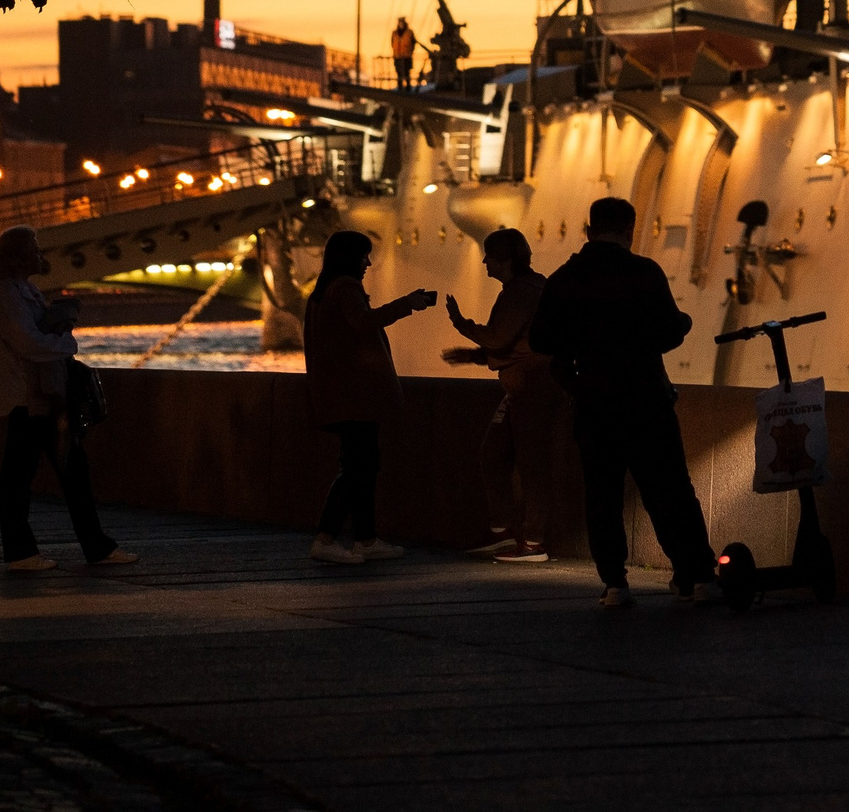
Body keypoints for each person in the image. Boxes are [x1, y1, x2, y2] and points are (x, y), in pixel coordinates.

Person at [530, 196, 719, 609]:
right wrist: (681, 324)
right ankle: (696, 577)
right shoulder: (643, 272)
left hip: (593, 401)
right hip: (645, 397)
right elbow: (669, 331)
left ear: (588, 228)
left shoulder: (566, 277)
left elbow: (541, 339)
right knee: (670, 489)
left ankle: (615, 582)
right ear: (629, 229)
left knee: (602, 492)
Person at [0, 225, 135, 573]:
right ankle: (37, 551)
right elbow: (28, 343)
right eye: (34, 249)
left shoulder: (24, 291)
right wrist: (66, 342)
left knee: (52, 473)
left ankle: (51, 549)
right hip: (29, 398)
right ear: (19, 256)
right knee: (30, 476)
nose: (41, 255)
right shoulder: (8, 295)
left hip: (42, 396)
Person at [303, 231, 437, 565]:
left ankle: (366, 539)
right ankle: (327, 537)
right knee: (358, 467)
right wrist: (408, 304)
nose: (369, 262)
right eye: (364, 255)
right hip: (355, 395)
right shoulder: (346, 287)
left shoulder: (321, 293)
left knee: (361, 465)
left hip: (337, 393)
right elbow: (363, 322)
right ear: (350, 257)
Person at [450, 228, 558, 563]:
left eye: (490, 255)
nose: (484, 261)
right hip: (524, 387)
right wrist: (472, 356)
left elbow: (498, 339)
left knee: (529, 465)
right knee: (495, 454)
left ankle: (533, 542)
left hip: (530, 390)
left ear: (506, 261)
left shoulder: (520, 292)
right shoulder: (533, 287)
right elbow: (516, 345)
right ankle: (503, 534)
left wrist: (461, 323)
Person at [389, 16, 417, 88]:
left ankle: (408, 86)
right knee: (398, 73)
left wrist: (410, 51)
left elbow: (413, 43)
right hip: (397, 56)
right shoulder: (394, 33)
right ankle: (400, 86)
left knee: (407, 72)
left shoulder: (409, 32)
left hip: (407, 56)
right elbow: (392, 43)